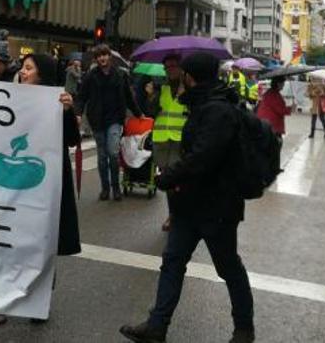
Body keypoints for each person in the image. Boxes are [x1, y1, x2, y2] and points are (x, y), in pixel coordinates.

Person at [120, 52, 254, 343]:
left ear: (190, 76)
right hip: (189, 204)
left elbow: (203, 157)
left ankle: (244, 329)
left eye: (182, 72)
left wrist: (168, 177)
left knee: (228, 267)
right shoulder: (201, 104)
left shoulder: (218, 110)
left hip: (217, 206)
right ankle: (157, 326)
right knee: (172, 261)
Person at [0, 53, 81, 328]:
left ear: (42, 74)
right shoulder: (7, 98)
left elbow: (71, 140)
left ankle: (37, 297)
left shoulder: (56, 102)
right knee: (5, 241)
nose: (22, 72)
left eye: (29, 68)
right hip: (8, 185)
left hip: (42, 187)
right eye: (22, 67)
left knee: (40, 242)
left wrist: (68, 112)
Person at [76, 44, 144, 201]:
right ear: (96, 59)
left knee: (113, 153)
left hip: (114, 119)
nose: (102, 58)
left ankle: (116, 187)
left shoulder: (120, 75)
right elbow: (81, 97)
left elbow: (128, 97)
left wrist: (139, 114)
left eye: (104, 55)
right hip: (97, 120)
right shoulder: (91, 76)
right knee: (101, 156)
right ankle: (105, 188)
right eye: (99, 56)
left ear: (109, 57)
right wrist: (78, 113)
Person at [145, 54, 186, 232]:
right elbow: (151, 111)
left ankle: (179, 215)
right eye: (167, 67)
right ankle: (173, 214)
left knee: (179, 180)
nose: (171, 70)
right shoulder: (161, 88)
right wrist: (150, 96)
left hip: (181, 140)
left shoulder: (190, 88)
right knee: (168, 181)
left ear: (181, 68)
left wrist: (187, 97)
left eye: (174, 66)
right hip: (162, 140)